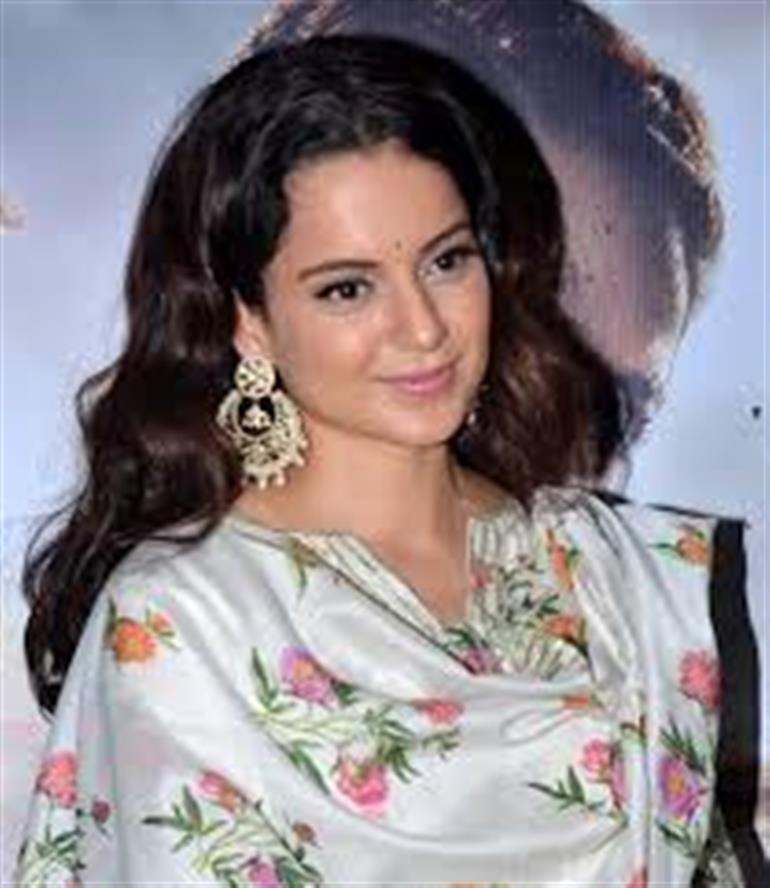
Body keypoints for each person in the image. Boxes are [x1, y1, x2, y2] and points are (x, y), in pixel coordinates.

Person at [16, 34, 745, 887]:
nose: (423, 328)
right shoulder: (184, 625)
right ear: (248, 319)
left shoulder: (614, 583)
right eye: (347, 288)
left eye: (446, 261)